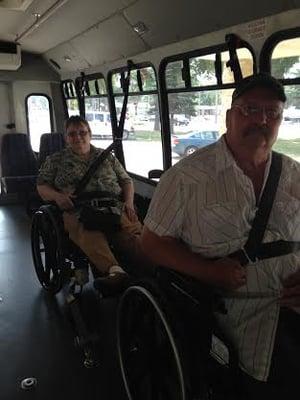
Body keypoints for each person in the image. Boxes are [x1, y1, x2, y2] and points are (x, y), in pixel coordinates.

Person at [141, 73, 300, 399]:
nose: (262, 120)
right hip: (233, 314)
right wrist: (209, 271)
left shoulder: (294, 173)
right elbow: (151, 242)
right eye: (250, 109)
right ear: (229, 116)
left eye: (273, 113)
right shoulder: (186, 178)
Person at [37, 115, 142, 288]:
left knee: (131, 234)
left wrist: (129, 203)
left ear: (90, 134)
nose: (78, 137)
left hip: (113, 204)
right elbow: (41, 186)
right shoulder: (56, 160)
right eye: (72, 134)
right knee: (88, 231)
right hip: (78, 207)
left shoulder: (106, 156)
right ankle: (115, 272)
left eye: (82, 132)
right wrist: (58, 197)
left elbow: (126, 181)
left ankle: (155, 268)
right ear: (66, 137)